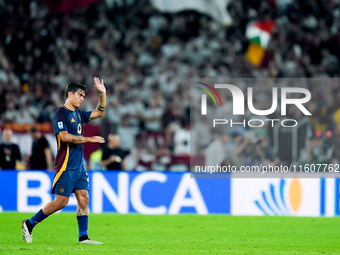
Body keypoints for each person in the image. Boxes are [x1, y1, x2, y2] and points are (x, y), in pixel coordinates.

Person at [22, 77, 106, 244]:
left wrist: (103, 94)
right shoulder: (61, 113)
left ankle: (83, 237)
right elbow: (64, 136)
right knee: (61, 202)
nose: (82, 99)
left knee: (84, 199)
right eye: (80, 95)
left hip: (80, 164)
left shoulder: (79, 114)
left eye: (84, 96)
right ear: (70, 94)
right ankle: (29, 223)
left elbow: (100, 112)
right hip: (66, 164)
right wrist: (89, 139)